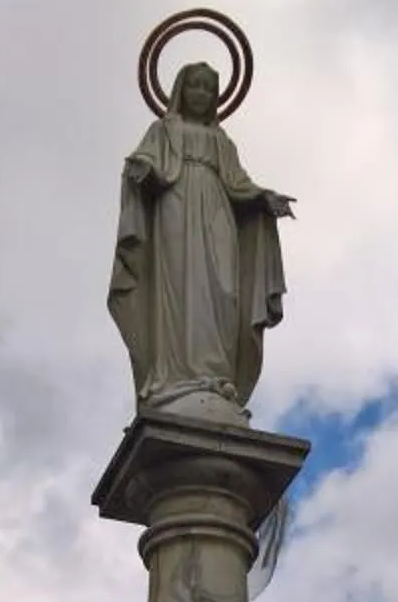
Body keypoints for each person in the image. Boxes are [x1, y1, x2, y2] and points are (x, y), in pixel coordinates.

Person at [109, 61, 294, 419]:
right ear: (181, 89)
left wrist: (263, 198)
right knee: (181, 286)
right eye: (195, 85)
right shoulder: (163, 129)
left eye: (209, 88)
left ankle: (216, 375)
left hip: (218, 211)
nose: (201, 93)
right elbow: (145, 164)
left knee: (221, 291)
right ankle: (176, 378)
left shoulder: (222, 142)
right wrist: (143, 171)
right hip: (175, 207)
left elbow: (238, 183)